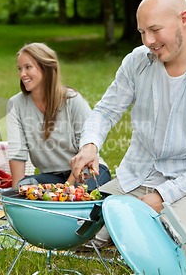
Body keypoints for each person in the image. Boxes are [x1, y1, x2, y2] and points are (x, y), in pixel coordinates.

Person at [70, 0, 186, 263]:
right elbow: (105, 111)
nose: (148, 40)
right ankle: (129, 224)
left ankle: (184, 219)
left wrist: (163, 196)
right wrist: (90, 145)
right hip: (137, 177)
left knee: (172, 250)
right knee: (79, 234)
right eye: (142, 32)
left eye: (155, 29)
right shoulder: (136, 62)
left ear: (183, 19)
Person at [7, 42, 111, 190]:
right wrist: (16, 192)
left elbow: (86, 148)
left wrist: (67, 187)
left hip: (86, 170)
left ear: (46, 68)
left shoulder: (72, 100)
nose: (22, 74)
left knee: (81, 193)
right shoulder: (16, 104)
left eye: (28, 67)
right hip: (51, 176)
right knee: (25, 187)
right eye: (19, 69)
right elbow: (17, 152)